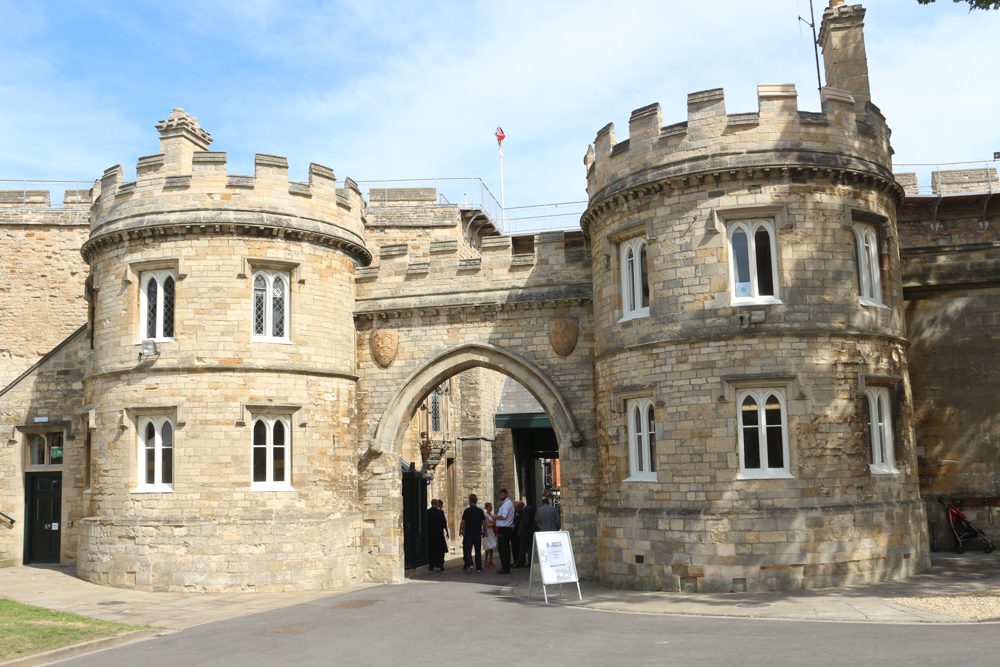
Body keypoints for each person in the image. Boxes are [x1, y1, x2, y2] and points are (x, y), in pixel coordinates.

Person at [459, 493, 486, 573]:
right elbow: (484, 522)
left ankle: (470, 563)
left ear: (470, 501)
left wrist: (461, 530)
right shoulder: (480, 511)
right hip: (477, 533)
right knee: (478, 550)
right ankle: (478, 567)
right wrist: (485, 531)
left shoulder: (467, 511)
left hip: (469, 533)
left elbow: (463, 522)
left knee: (468, 550)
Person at [492, 488, 515, 574]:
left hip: (504, 529)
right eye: (500, 495)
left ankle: (505, 567)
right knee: (505, 548)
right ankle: (506, 566)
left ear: (506, 495)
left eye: (502, 495)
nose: (500, 497)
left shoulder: (506, 504)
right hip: (507, 528)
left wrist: (495, 517)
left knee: (503, 549)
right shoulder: (509, 503)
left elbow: (504, 516)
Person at [513, 500, 537, 568]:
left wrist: (523, 530)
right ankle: (529, 562)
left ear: (521, 506)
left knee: (523, 547)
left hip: (527, 532)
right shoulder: (529, 508)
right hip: (529, 531)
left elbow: (526, 521)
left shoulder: (526, 510)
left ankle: (519, 562)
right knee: (529, 547)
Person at [426, 499, 449, 571]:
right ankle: (441, 564)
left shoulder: (427, 512)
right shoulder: (440, 512)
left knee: (431, 550)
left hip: (430, 534)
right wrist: (447, 532)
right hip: (439, 534)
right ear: (436, 503)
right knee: (440, 550)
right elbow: (444, 524)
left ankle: (431, 565)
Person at [482, 502, 498, 567]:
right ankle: (485, 561)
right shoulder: (486, 515)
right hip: (488, 532)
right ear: (487, 508)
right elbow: (487, 524)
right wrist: (493, 524)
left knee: (492, 547)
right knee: (488, 547)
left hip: (492, 532)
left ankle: (490, 560)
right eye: (490, 507)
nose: (491, 508)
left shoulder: (491, 514)